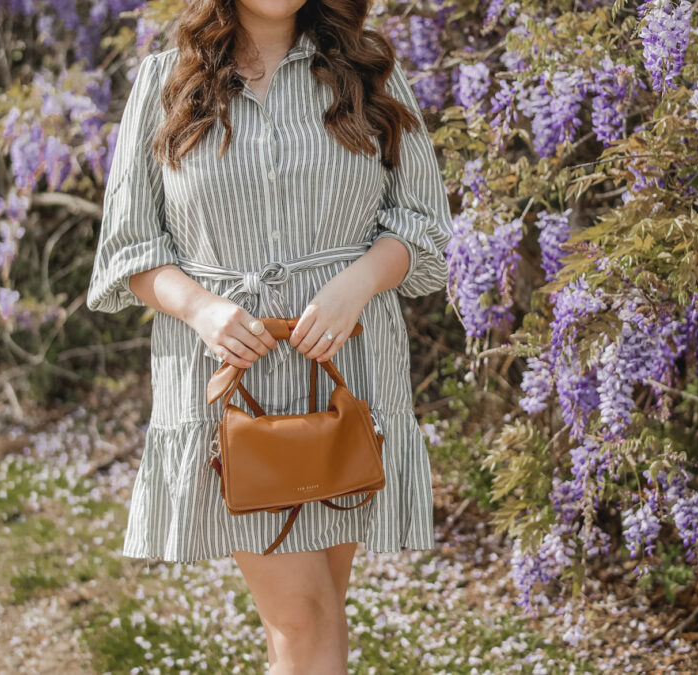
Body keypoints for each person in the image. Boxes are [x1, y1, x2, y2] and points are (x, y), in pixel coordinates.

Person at [86, 0, 453, 669]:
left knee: (312, 620)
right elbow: (130, 250)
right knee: (307, 618)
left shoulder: (368, 73)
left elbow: (423, 223)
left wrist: (359, 281)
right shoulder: (167, 81)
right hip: (233, 386)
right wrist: (201, 309)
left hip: (345, 372)